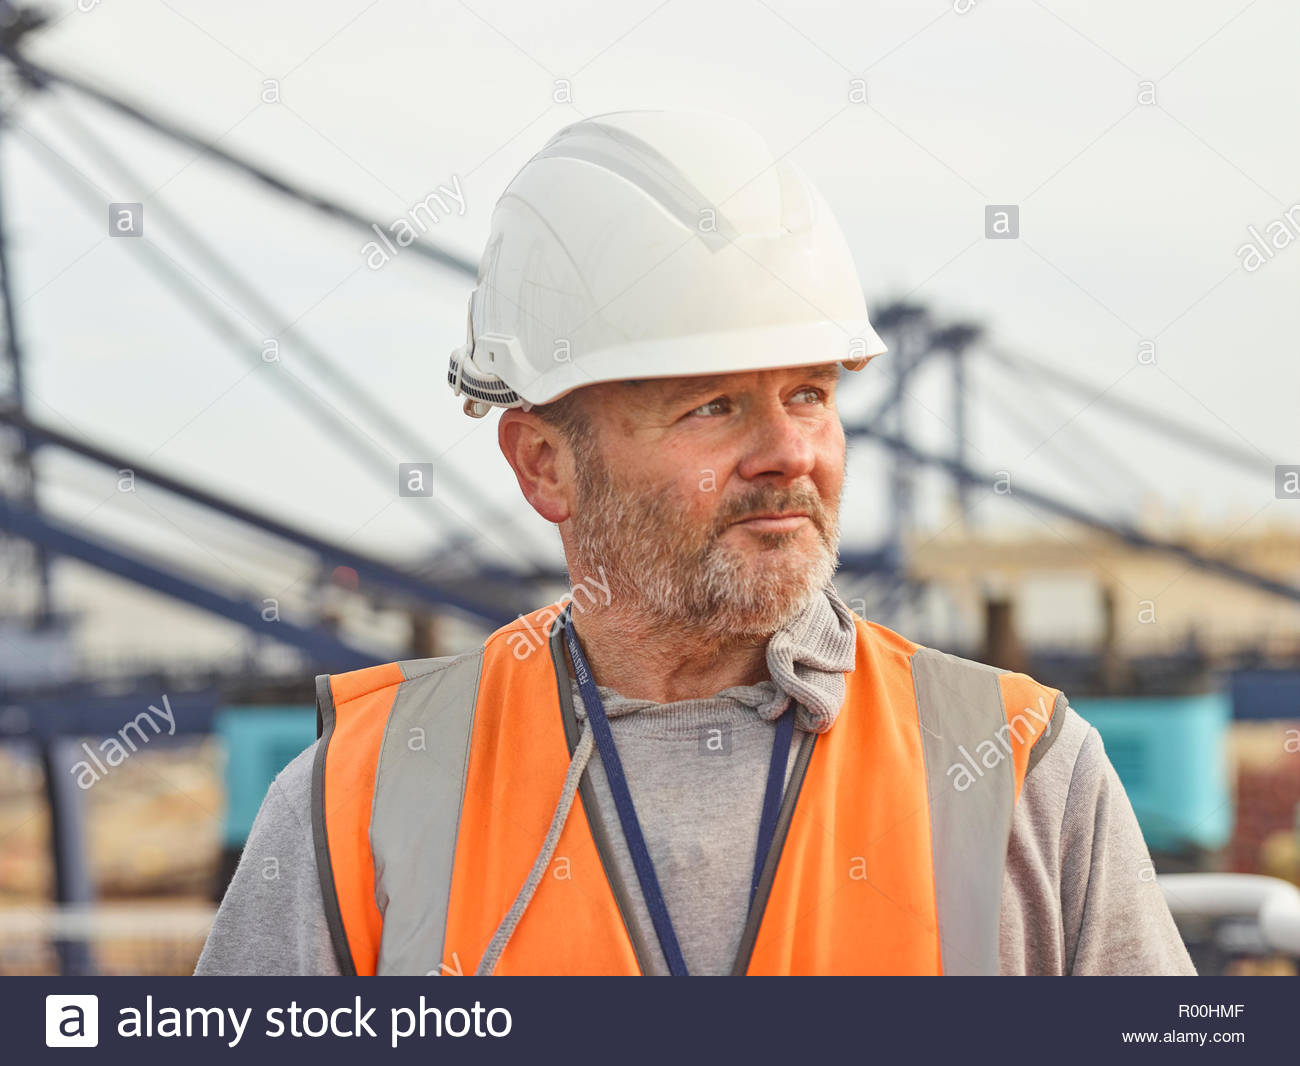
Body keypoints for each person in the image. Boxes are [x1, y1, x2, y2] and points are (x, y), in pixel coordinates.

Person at [195, 110, 1194, 976]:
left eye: (810, 392)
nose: (789, 452)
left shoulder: (1022, 767)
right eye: (714, 405)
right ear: (545, 463)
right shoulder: (359, 797)